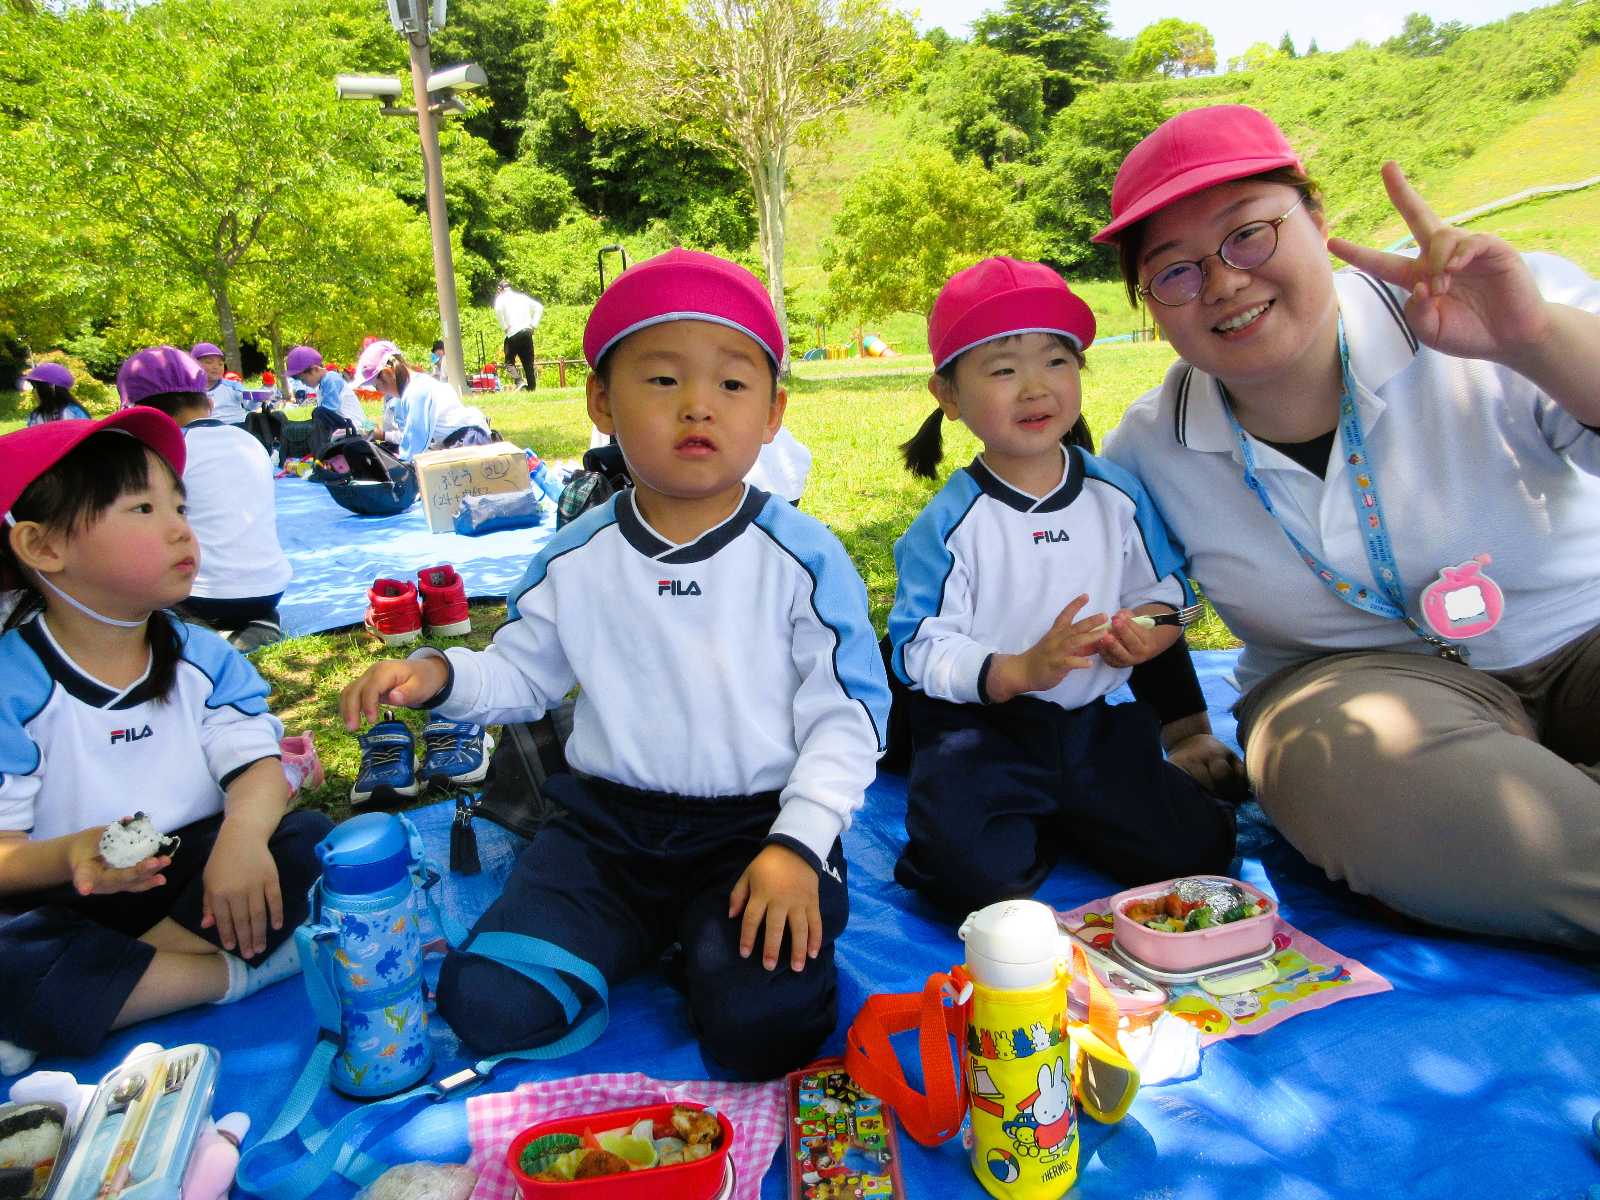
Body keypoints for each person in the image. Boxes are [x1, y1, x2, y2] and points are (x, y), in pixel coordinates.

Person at [340, 249, 890, 1078]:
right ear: (602, 402)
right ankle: (649, 935)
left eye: (732, 383)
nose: (698, 404)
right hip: (606, 835)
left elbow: (848, 717)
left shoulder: (802, 558)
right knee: (488, 1005)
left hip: (758, 830)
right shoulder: (578, 555)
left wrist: (801, 842)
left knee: (764, 1031)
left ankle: (701, 946)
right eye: (663, 380)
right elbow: (523, 676)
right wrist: (441, 677)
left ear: (773, 412)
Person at [1094, 104, 1600, 948]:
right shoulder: (1149, 449)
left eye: (1248, 235)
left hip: (1583, 636)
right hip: (1354, 695)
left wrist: (1533, 339)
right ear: (1150, 305)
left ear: (1318, 217)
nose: (1223, 282)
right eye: (1175, 270)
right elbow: (1125, 602)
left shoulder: (1493, 302)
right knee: (1340, 773)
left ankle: (1497, 851)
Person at [886, 257, 1239, 915]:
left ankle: (1065, 810)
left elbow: (1166, 596)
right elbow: (917, 649)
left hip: (1092, 727)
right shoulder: (950, 524)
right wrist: (1015, 670)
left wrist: (1147, 633)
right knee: (966, 883)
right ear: (949, 397)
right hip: (980, 735)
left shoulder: (1115, 495)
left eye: (1056, 361)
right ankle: (1029, 819)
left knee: (1201, 849)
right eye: (1002, 369)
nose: (1035, 388)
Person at [0, 409, 330, 1075]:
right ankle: (232, 975)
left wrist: (242, 840)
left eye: (179, 505)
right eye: (142, 508)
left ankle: (106, 993)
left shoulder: (200, 655)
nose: (180, 527)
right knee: (12, 956)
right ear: (43, 548)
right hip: (73, 895)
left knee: (308, 844)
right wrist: (72, 854)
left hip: (200, 876)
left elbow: (256, 765)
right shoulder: (15, 684)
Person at [118, 346, 291, 651]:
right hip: (270, 589)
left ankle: (197, 629)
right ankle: (258, 623)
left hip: (202, 595)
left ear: (145, 414)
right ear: (208, 402)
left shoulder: (167, 453)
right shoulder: (249, 441)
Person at [352, 340, 491, 462]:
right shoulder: (415, 386)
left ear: (388, 374)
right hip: (461, 442)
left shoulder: (416, 391)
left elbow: (415, 446)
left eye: (377, 386)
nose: (380, 391)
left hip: (467, 443)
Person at [285, 345, 368, 436]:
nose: (303, 384)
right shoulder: (322, 385)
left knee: (319, 412)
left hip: (356, 426)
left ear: (315, 369)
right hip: (347, 426)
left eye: (303, 380)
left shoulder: (330, 378)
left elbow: (329, 410)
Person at [493, 279, 543, 390]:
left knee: (509, 362)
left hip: (513, 334)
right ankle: (531, 388)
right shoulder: (522, 297)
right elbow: (539, 307)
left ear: (500, 290)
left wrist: (504, 327)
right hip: (527, 331)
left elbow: (498, 311)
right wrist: (533, 325)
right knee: (528, 363)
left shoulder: (501, 299)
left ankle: (519, 381)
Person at [190, 343, 255, 427]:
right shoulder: (187, 391)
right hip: (205, 430)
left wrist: (256, 399)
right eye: (209, 362)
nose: (216, 367)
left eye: (220, 364)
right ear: (193, 364)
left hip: (238, 427)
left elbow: (249, 405)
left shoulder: (233, 386)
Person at [22, 363, 90, 425]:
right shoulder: (36, 415)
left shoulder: (73, 412)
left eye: (35, 386)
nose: (33, 391)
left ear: (50, 388)